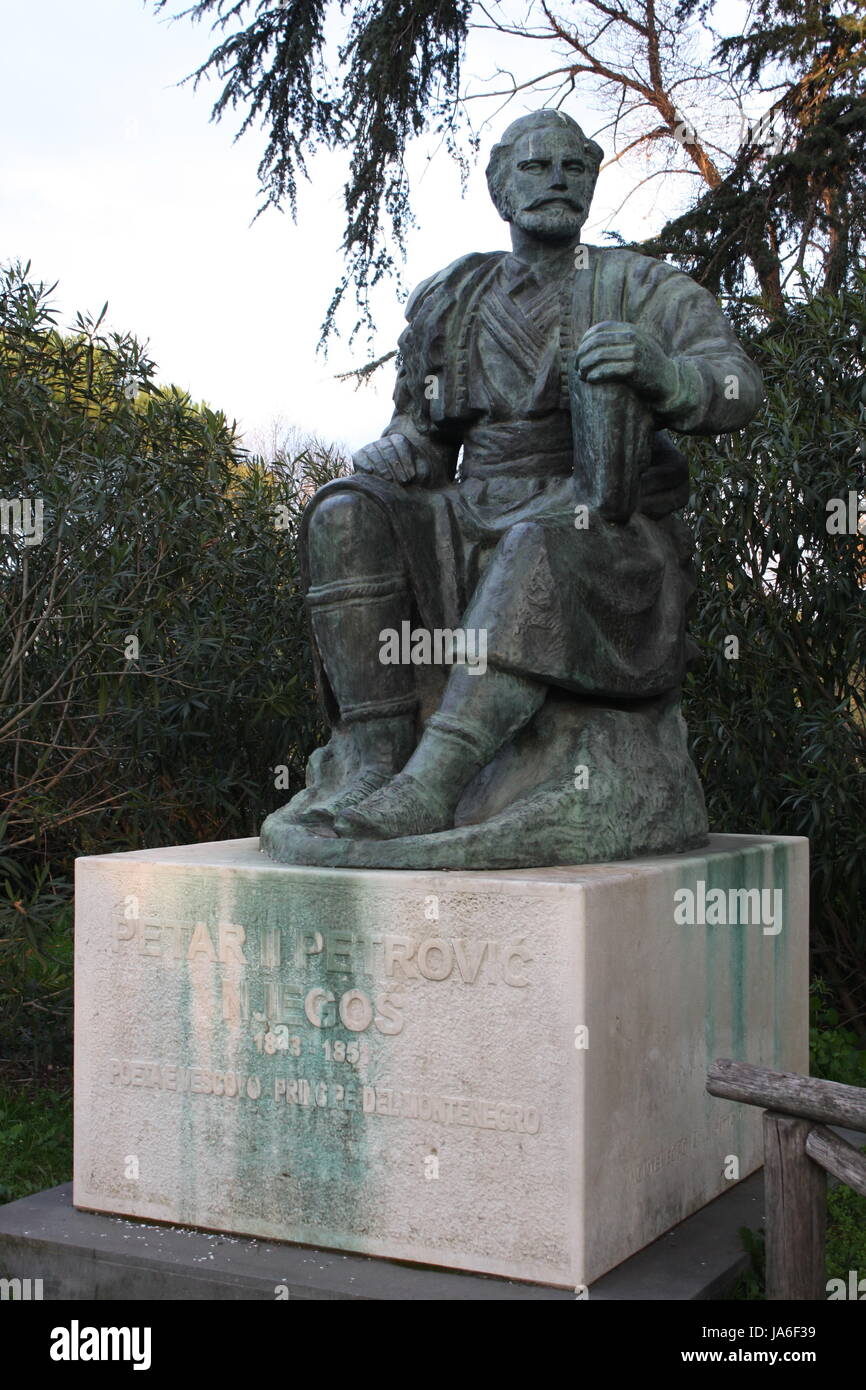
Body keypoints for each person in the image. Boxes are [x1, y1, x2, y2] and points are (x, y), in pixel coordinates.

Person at [289, 109, 763, 842]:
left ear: (594, 178)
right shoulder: (455, 295)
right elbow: (420, 427)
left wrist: (667, 375)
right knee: (344, 510)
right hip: (472, 504)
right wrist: (400, 447)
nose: (556, 182)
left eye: (573, 167)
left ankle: (434, 783)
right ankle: (373, 754)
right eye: (536, 168)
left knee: (543, 538)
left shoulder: (639, 284)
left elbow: (737, 387)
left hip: (601, 525)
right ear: (499, 185)